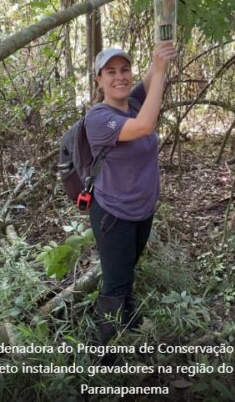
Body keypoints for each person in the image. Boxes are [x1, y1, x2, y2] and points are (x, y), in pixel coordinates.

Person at [86, 41, 177, 345]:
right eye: (110, 72)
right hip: (113, 214)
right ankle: (106, 345)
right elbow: (144, 126)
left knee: (128, 268)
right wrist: (162, 70)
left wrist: (159, 55)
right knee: (114, 283)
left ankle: (128, 317)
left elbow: (150, 78)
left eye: (124, 69)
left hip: (142, 209)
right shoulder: (98, 119)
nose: (119, 77)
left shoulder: (134, 101)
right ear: (98, 79)